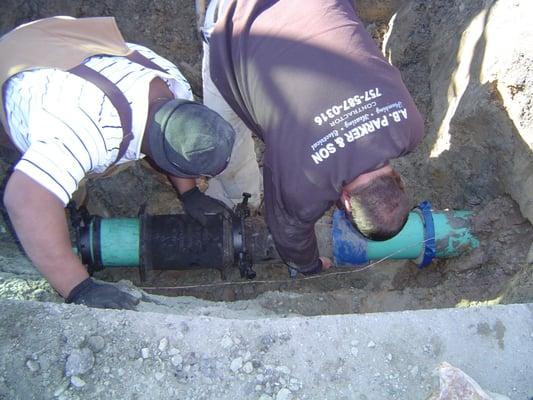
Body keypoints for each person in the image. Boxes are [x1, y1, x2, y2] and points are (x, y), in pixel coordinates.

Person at [0, 16, 235, 309]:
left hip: (58, 41)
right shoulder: (87, 129)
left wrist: (190, 194)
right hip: (15, 68)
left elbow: (174, 136)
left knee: (63, 164)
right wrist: (78, 287)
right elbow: (25, 199)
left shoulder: (172, 85)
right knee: (33, 178)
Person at [201, 0, 425, 275]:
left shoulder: (411, 127)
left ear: (397, 179)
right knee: (224, 139)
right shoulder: (303, 185)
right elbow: (288, 232)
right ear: (345, 203)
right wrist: (308, 265)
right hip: (233, 19)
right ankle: (236, 197)